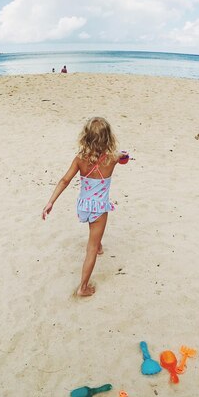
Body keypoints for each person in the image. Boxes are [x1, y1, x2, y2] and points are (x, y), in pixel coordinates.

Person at [42, 117, 128, 297]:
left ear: (86, 137)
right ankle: (83, 287)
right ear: (108, 138)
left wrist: (51, 202)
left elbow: (65, 180)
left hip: (83, 205)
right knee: (91, 247)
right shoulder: (112, 158)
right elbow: (123, 157)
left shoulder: (80, 159)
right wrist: (124, 155)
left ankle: (99, 245)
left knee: (94, 235)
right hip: (98, 208)